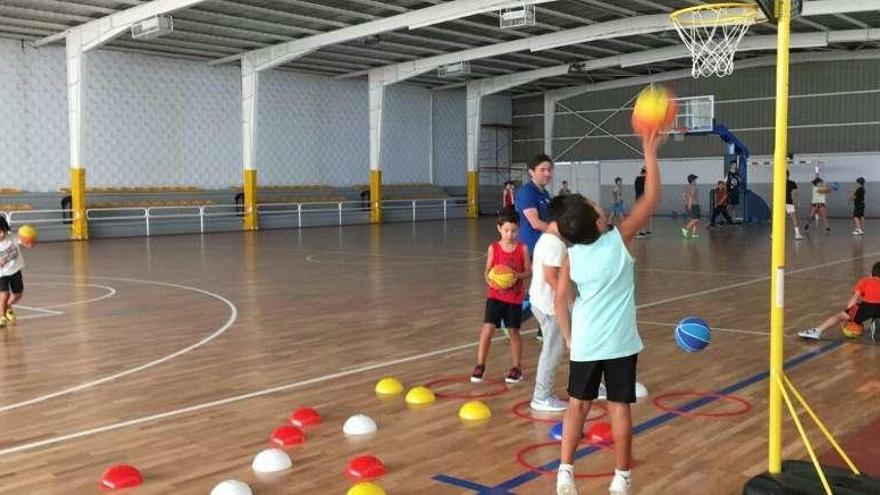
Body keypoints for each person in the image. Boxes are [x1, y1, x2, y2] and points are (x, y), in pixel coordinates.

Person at [553, 130, 664, 495]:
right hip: (619, 343)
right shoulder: (618, 240)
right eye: (593, 204)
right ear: (598, 221)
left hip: (586, 342)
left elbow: (560, 301)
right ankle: (622, 477)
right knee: (619, 410)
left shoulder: (572, 256)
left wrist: (570, 339)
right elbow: (650, 198)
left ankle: (565, 472)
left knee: (577, 409)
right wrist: (649, 152)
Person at [471, 208, 531, 384]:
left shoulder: (522, 248)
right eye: (506, 230)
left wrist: (516, 276)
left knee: (513, 332)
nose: (510, 234)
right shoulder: (493, 248)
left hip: (514, 298)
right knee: (488, 329)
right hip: (495, 296)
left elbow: (528, 270)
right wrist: (490, 280)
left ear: (518, 229)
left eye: (513, 231)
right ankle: (480, 365)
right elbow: (488, 271)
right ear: (499, 228)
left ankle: (516, 367)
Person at [529, 196, 569, 412]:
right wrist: (570, 301)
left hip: (541, 300)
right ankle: (541, 396)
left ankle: (595, 384)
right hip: (548, 305)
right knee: (553, 349)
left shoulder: (547, 238)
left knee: (563, 345)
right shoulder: (555, 243)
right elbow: (551, 277)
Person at [516, 154, 555, 342]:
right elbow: (535, 222)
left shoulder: (544, 194)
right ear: (532, 172)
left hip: (545, 247)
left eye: (549, 170)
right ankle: (513, 320)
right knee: (541, 287)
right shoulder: (526, 192)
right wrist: (559, 233)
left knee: (544, 287)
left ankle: (541, 327)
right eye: (543, 170)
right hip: (532, 247)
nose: (547, 173)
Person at [799, 261, 880, 340]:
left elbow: (855, 298)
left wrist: (849, 316)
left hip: (867, 306)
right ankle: (877, 322)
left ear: (871, 274)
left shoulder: (865, 280)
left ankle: (817, 331)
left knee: (840, 316)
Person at [0, 217, 29, 329]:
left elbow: (24, 242)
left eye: (2, 231)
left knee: (18, 294)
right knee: (4, 294)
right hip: (2, 274)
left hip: (15, 270)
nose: (1, 234)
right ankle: (2, 316)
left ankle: (7, 306)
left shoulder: (12, 237)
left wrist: (29, 242)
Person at [785, 170, 804, 240]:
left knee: (793, 218)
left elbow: (795, 193)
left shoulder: (792, 183)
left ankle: (797, 233)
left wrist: (795, 202)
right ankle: (797, 234)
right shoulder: (792, 183)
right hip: (784, 203)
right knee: (793, 218)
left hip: (787, 202)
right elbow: (795, 193)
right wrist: (796, 202)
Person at [681, 174, 700, 239]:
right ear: (692, 180)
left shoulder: (685, 187)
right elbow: (691, 196)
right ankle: (686, 229)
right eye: (695, 179)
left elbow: (684, 195)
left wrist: (687, 203)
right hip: (694, 205)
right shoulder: (694, 187)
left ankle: (694, 233)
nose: (696, 181)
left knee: (693, 219)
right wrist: (690, 204)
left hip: (689, 204)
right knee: (696, 219)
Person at [633, 168, 650, 236]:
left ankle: (642, 230)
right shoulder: (644, 179)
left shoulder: (637, 179)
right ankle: (638, 231)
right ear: (644, 173)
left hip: (638, 199)